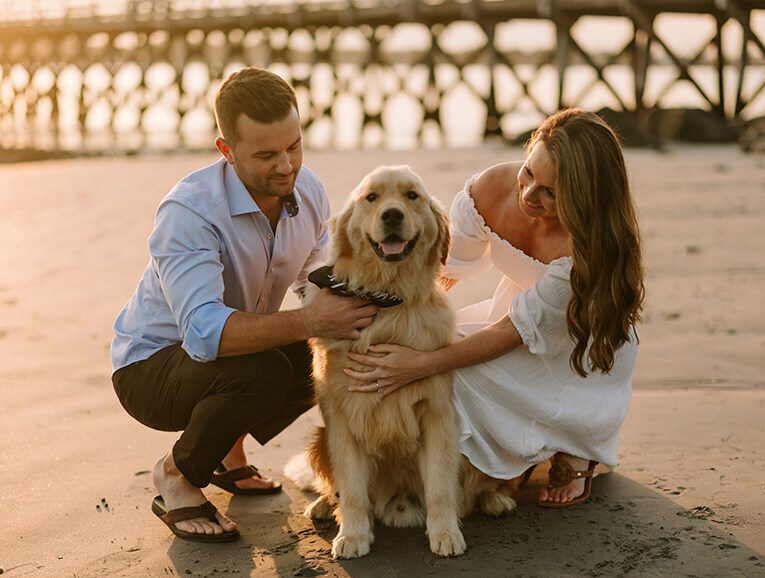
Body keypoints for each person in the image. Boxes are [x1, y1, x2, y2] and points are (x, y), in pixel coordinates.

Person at [110, 67, 378, 542]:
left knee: (325, 351)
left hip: (224, 357)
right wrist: (314, 318)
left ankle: (227, 453)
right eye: (266, 154)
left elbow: (317, 280)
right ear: (226, 151)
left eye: (293, 146)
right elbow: (203, 334)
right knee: (268, 369)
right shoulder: (190, 213)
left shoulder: (307, 189)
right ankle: (177, 475)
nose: (286, 166)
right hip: (150, 369)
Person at [345, 108, 644, 508]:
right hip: (514, 312)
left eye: (550, 193)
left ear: (585, 199)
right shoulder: (489, 188)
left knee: (451, 375)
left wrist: (420, 363)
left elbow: (508, 334)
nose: (528, 196)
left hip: (575, 344)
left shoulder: (583, 254)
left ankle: (573, 450)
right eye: (529, 172)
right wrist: (391, 321)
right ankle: (498, 455)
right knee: (433, 351)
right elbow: (443, 270)